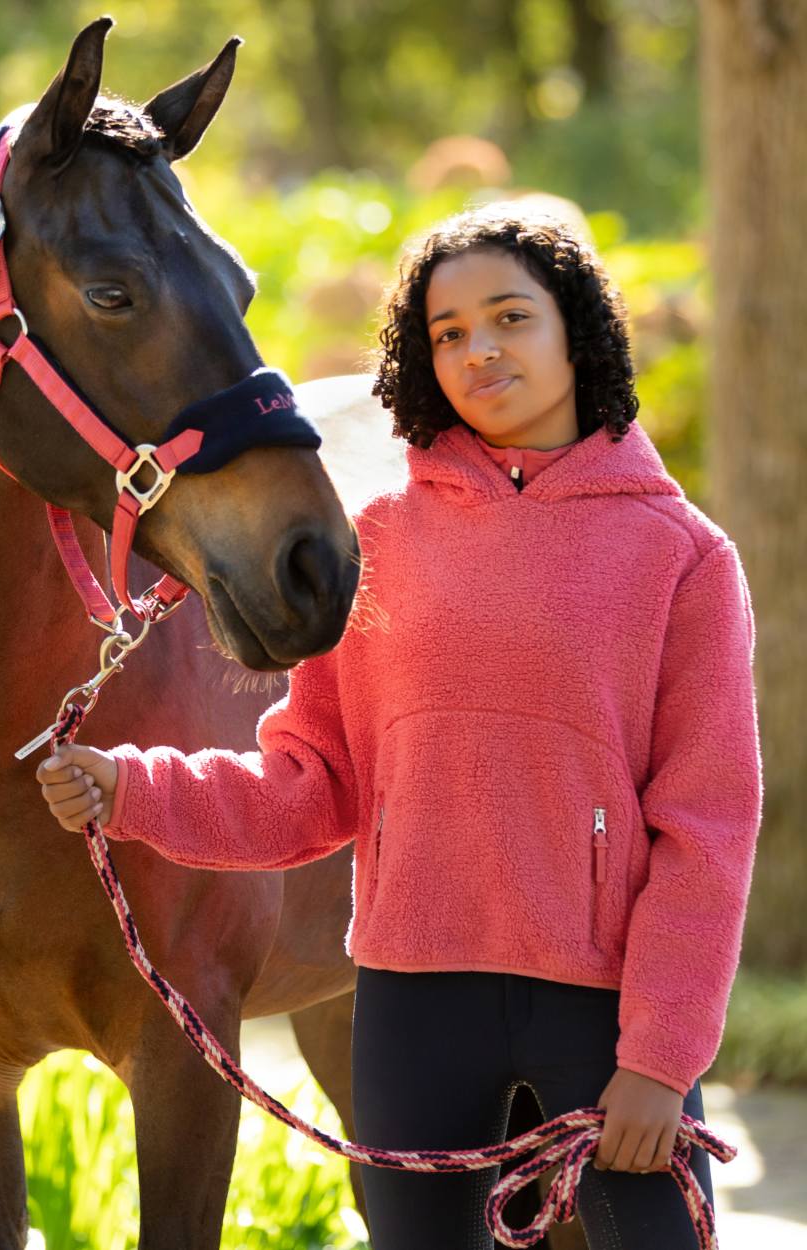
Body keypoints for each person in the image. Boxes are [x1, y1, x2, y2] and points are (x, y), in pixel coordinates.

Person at [37, 203, 763, 1250]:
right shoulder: (377, 540)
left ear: (577, 329)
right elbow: (308, 786)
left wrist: (660, 1056)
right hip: (414, 1008)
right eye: (449, 332)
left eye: (510, 317)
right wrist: (131, 784)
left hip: (605, 1019)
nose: (480, 350)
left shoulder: (682, 556)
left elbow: (705, 828)